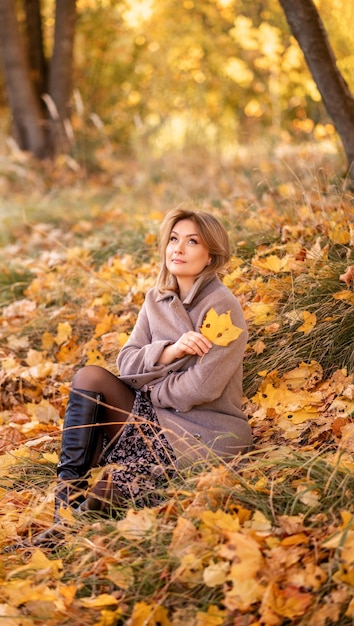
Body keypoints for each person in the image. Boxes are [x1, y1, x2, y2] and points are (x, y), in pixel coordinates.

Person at [34, 208, 252, 545]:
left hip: (203, 431)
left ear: (211, 256)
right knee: (91, 377)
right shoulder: (156, 299)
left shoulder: (222, 307)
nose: (177, 249)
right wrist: (171, 351)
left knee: (109, 492)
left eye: (192, 241)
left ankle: (69, 534)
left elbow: (201, 388)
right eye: (174, 239)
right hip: (151, 417)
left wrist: (149, 389)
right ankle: (64, 506)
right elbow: (127, 364)